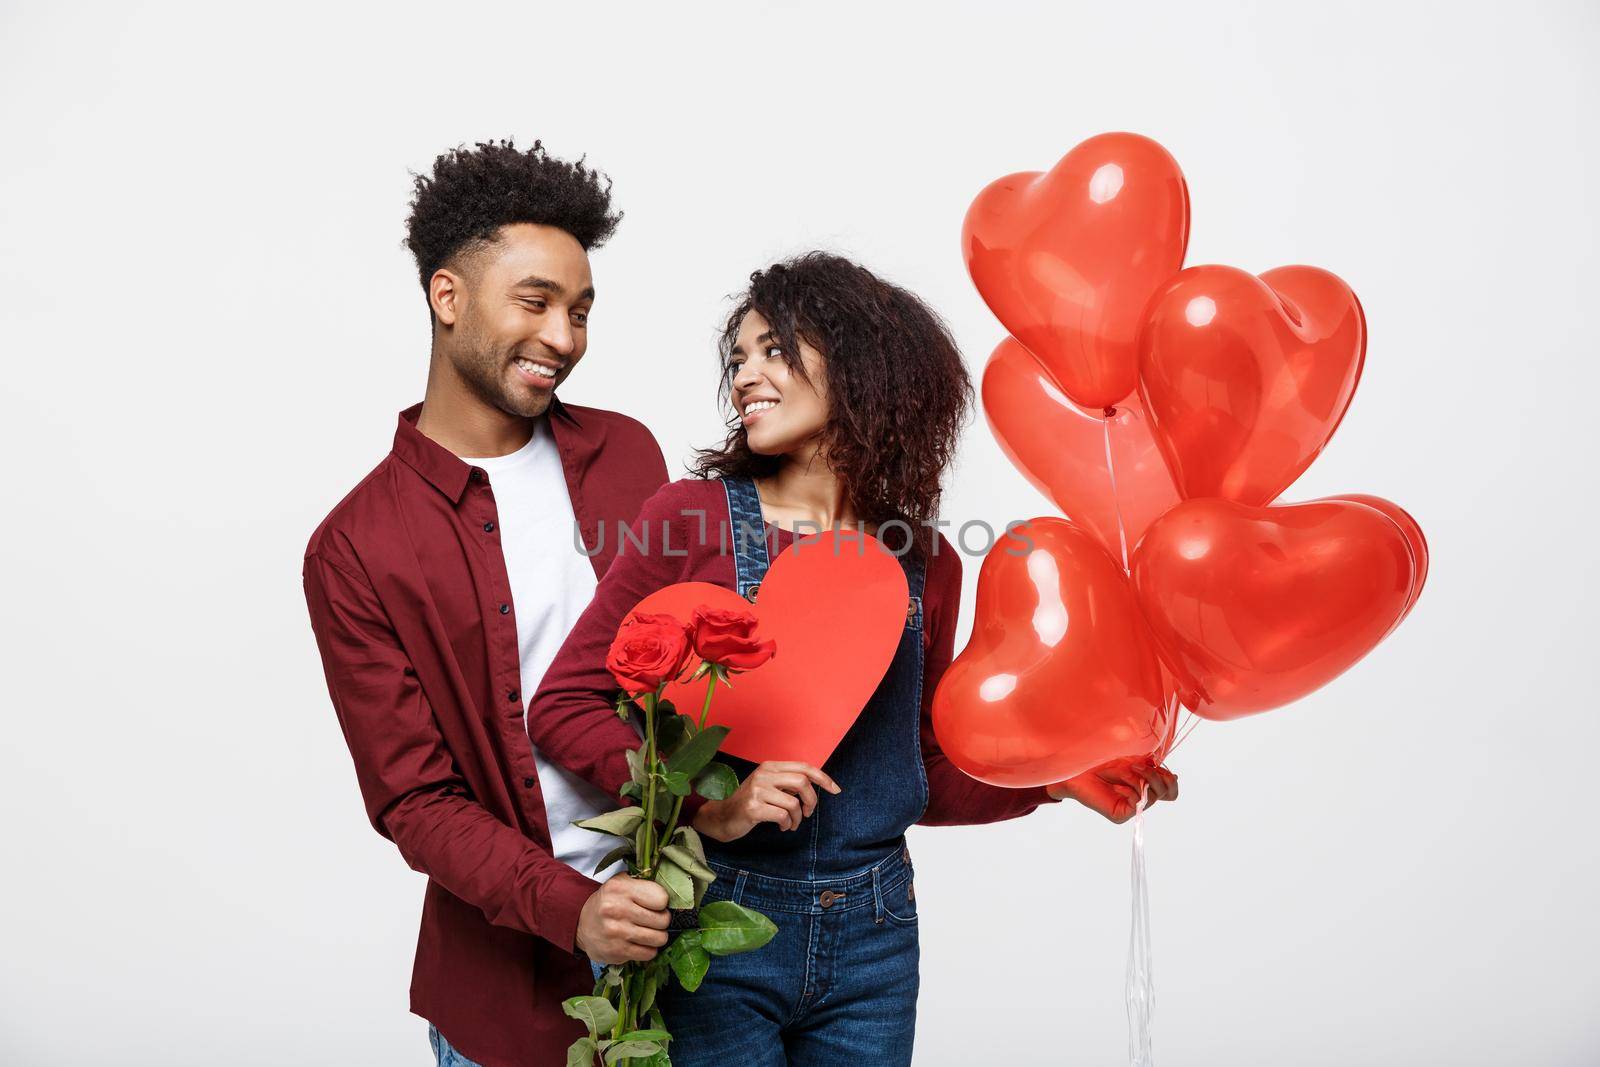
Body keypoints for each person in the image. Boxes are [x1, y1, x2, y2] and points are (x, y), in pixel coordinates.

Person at [532, 252, 1180, 1066]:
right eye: (738, 357)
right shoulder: (689, 519)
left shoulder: (926, 562)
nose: (745, 376)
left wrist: (1051, 778)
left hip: (876, 936)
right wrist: (709, 802)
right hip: (717, 921)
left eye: (775, 350)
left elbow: (916, 767)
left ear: (864, 368)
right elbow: (563, 706)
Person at [302, 140, 679, 1067]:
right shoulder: (355, 548)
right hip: (508, 1003)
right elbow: (416, 799)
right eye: (536, 302)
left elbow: (698, 679)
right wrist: (575, 910)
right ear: (448, 297)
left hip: (686, 961)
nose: (564, 337)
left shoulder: (630, 456)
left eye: (581, 310)